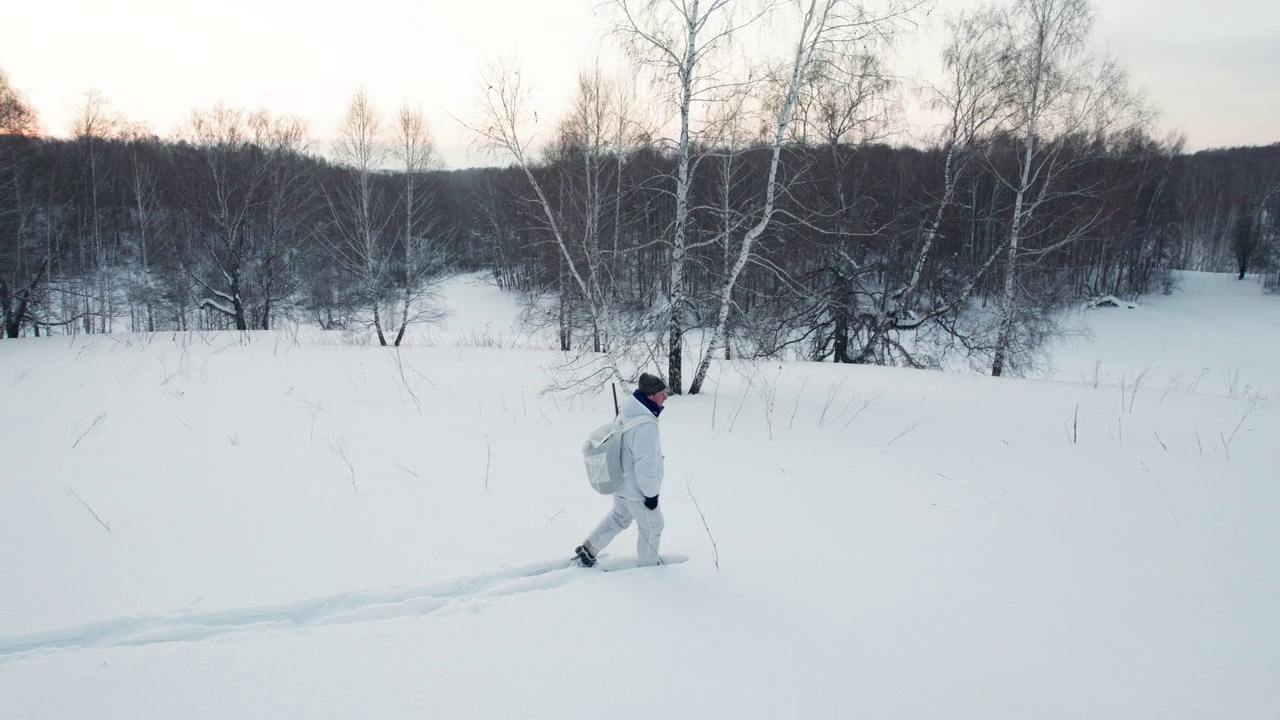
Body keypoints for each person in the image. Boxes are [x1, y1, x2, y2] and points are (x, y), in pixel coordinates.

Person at [575, 372, 669, 567]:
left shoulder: (628, 410)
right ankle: (649, 566)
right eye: (662, 393)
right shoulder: (646, 426)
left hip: (620, 482)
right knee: (652, 526)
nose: (665, 397)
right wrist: (651, 495)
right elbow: (646, 465)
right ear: (650, 396)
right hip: (637, 490)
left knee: (619, 518)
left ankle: (589, 548)